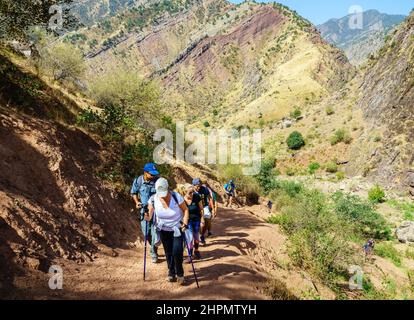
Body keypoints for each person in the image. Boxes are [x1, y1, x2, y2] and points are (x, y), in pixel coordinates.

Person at [147, 178, 190, 285]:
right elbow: (149, 216)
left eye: (165, 192)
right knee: (168, 253)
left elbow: (185, 210)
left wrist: (185, 223)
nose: (163, 195)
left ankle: (180, 274)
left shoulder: (176, 197)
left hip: (177, 228)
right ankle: (171, 272)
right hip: (163, 229)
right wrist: (144, 214)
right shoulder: (153, 199)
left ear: (168, 188)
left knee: (177, 252)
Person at [131, 163, 159, 263]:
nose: (153, 176)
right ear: (145, 172)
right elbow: (134, 193)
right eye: (151, 174)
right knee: (146, 233)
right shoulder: (138, 181)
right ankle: (153, 246)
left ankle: (153, 252)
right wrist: (137, 202)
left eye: (154, 174)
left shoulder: (157, 181)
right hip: (144, 211)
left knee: (154, 231)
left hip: (155, 211)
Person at [176, 184, 205, 261]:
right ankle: (189, 255)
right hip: (187, 221)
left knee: (196, 237)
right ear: (185, 192)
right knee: (189, 238)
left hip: (196, 220)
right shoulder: (181, 200)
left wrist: (202, 219)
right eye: (190, 193)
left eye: (192, 192)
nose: (192, 194)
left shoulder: (197, 197)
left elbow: (201, 209)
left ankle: (196, 250)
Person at [192, 178, 212, 245]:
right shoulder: (191, 191)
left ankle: (202, 235)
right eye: (197, 186)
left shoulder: (204, 189)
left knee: (207, 219)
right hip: (195, 208)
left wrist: (212, 206)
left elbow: (209, 197)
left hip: (204, 206)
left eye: (200, 185)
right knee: (198, 223)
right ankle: (200, 236)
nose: (199, 187)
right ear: (193, 185)